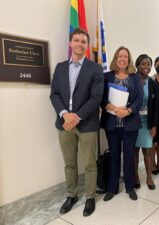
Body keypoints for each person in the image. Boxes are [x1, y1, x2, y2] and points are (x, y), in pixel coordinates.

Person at [50, 28, 104, 217]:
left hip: (87, 123)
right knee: (69, 163)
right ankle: (71, 195)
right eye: (76, 40)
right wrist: (65, 115)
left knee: (89, 163)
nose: (80, 44)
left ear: (87, 46)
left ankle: (90, 197)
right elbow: (54, 94)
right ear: (70, 43)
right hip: (64, 124)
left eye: (83, 41)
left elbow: (96, 98)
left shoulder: (95, 68)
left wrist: (76, 117)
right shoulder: (60, 67)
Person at [100, 46, 143, 201]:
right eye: (120, 56)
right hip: (112, 124)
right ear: (115, 58)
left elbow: (139, 99)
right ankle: (112, 188)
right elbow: (101, 97)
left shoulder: (135, 77)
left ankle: (130, 186)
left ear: (129, 59)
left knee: (129, 156)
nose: (123, 59)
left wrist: (129, 110)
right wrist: (111, 107)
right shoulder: (107, 76)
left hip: (129, 123)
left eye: (125, 56)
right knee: (114, 155)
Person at [134, 54, 159, 190]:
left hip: (147, 122)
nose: (146, 67)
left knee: (148, 151)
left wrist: (154, 125)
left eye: (149, 64)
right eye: (143, 64)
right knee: (134, 151)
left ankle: (149, 177)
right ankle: (136, 176)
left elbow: (156, 107)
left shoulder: (152, 83)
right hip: (133, 121)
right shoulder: (132, 79)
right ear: (137, 65)